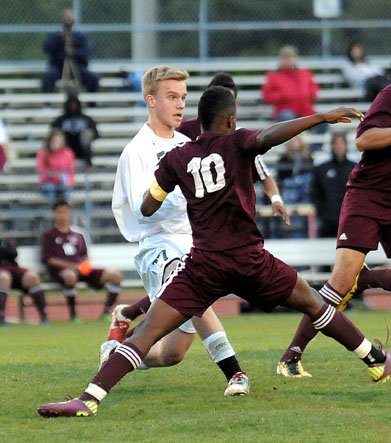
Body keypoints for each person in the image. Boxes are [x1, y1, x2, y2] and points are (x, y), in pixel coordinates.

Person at [36, 87, 391, 418]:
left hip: (204, 265)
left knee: (147, 332)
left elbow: (147, 207)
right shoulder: (240, 141)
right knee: (315, 304)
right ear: (230, 119)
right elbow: (269, 137)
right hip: (250, 260)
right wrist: (321, 117)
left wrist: (169, 189)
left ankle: (88, 399)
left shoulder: (177, 158)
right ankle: (377, 362)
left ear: (198, 120)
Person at [277, 28, 391, 377]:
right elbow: (364, 139)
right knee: (340, 280)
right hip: (368, 194)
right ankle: (291, 356)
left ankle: (368, 279)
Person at [107, 65, 249, 397]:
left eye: (183, 97)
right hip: (158, 247)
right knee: (197, 287)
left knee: (172, 354)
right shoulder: (137, 151)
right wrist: (184, 193)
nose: (180, 105)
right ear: (150, 100)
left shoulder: (188, 142)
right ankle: (235, 372)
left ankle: (118, 353)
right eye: (171, 97)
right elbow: (144, 208)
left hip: (193, 243)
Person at [177, 72, 289, 226]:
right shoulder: (182, 131)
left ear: (235, 105)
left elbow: (264, 175)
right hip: (188, 220)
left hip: (231, 223)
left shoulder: (240, 138)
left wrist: (276, 200)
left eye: (228, 100)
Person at [40, 200, 122, 321]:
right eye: (59, 212)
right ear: (54, 214)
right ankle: (73, 315)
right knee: (70, 276)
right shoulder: (49, 235)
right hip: (61, 272)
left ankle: (106, 312)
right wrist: (72, 266)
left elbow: (85, 256)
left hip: (81, 270)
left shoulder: (79, 234)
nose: (62, 215)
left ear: (69, 213)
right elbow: (49, 259)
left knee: (115, 276)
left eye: (65, 212)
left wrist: (85, 265)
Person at [42, 9, 99, 94]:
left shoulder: (80, 35)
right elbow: (46, 48)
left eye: (69, 18)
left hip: (78, 66)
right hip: (58, 67)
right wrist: (59, 38)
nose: (68, 21)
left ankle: (90, 103)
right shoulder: (54, 35)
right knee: (48, 76)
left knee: (93, 78)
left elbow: (86, 50)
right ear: (61, 19)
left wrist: (74, 52)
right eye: (66, 18)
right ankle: (47, 104)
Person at [311, 131, 356, 238]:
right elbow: (315, 194)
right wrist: (322, 214)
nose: (339, 146)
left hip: (350, 221)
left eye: (341, 143)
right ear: (331, 146)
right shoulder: (322, 168)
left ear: (346, 145)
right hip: (328, 222)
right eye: (336, 143)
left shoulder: (355, 168)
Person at [261, 45, 319, 122]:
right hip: (285, 111)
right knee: (287, 118)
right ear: (281, 60)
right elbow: (267, 97)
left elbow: (313, 89)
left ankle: (317, 134)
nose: (288, 60)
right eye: (285, 58)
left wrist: (308, 94)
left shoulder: (305, 73)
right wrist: (282, 95)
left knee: (322, 121)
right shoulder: (274, 75)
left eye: (290, 57)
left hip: (305, 110)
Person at [0, 233, 49, 324]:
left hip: (12, 268)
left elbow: (13, 253)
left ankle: (44, 316)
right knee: (4, 277)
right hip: (3, 273)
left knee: (32, 277)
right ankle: (1, 316)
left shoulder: (5, 241)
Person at [51, 94, 99, 167]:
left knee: (85, 136)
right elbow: (53, 134)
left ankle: (88, 163)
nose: (73, 106)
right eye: (71, 103)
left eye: (75, 103)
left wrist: (90, 133)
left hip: (82, 149)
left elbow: (96, 133)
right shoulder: (60, 120)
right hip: (65, 148)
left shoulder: (86, 119)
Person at [36, 128, 76, 206]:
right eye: (54, 141)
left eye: (59, 141)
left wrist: (68, 182)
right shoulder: (43, 153)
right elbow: (42, 172)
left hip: (63, 183)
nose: (56, 143)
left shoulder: (67, 153)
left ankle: (65, 212)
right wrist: (56, 177)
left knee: (66, 191)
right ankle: (54, 211)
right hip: (48, 183)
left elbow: (71, 171)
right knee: (51, 189)